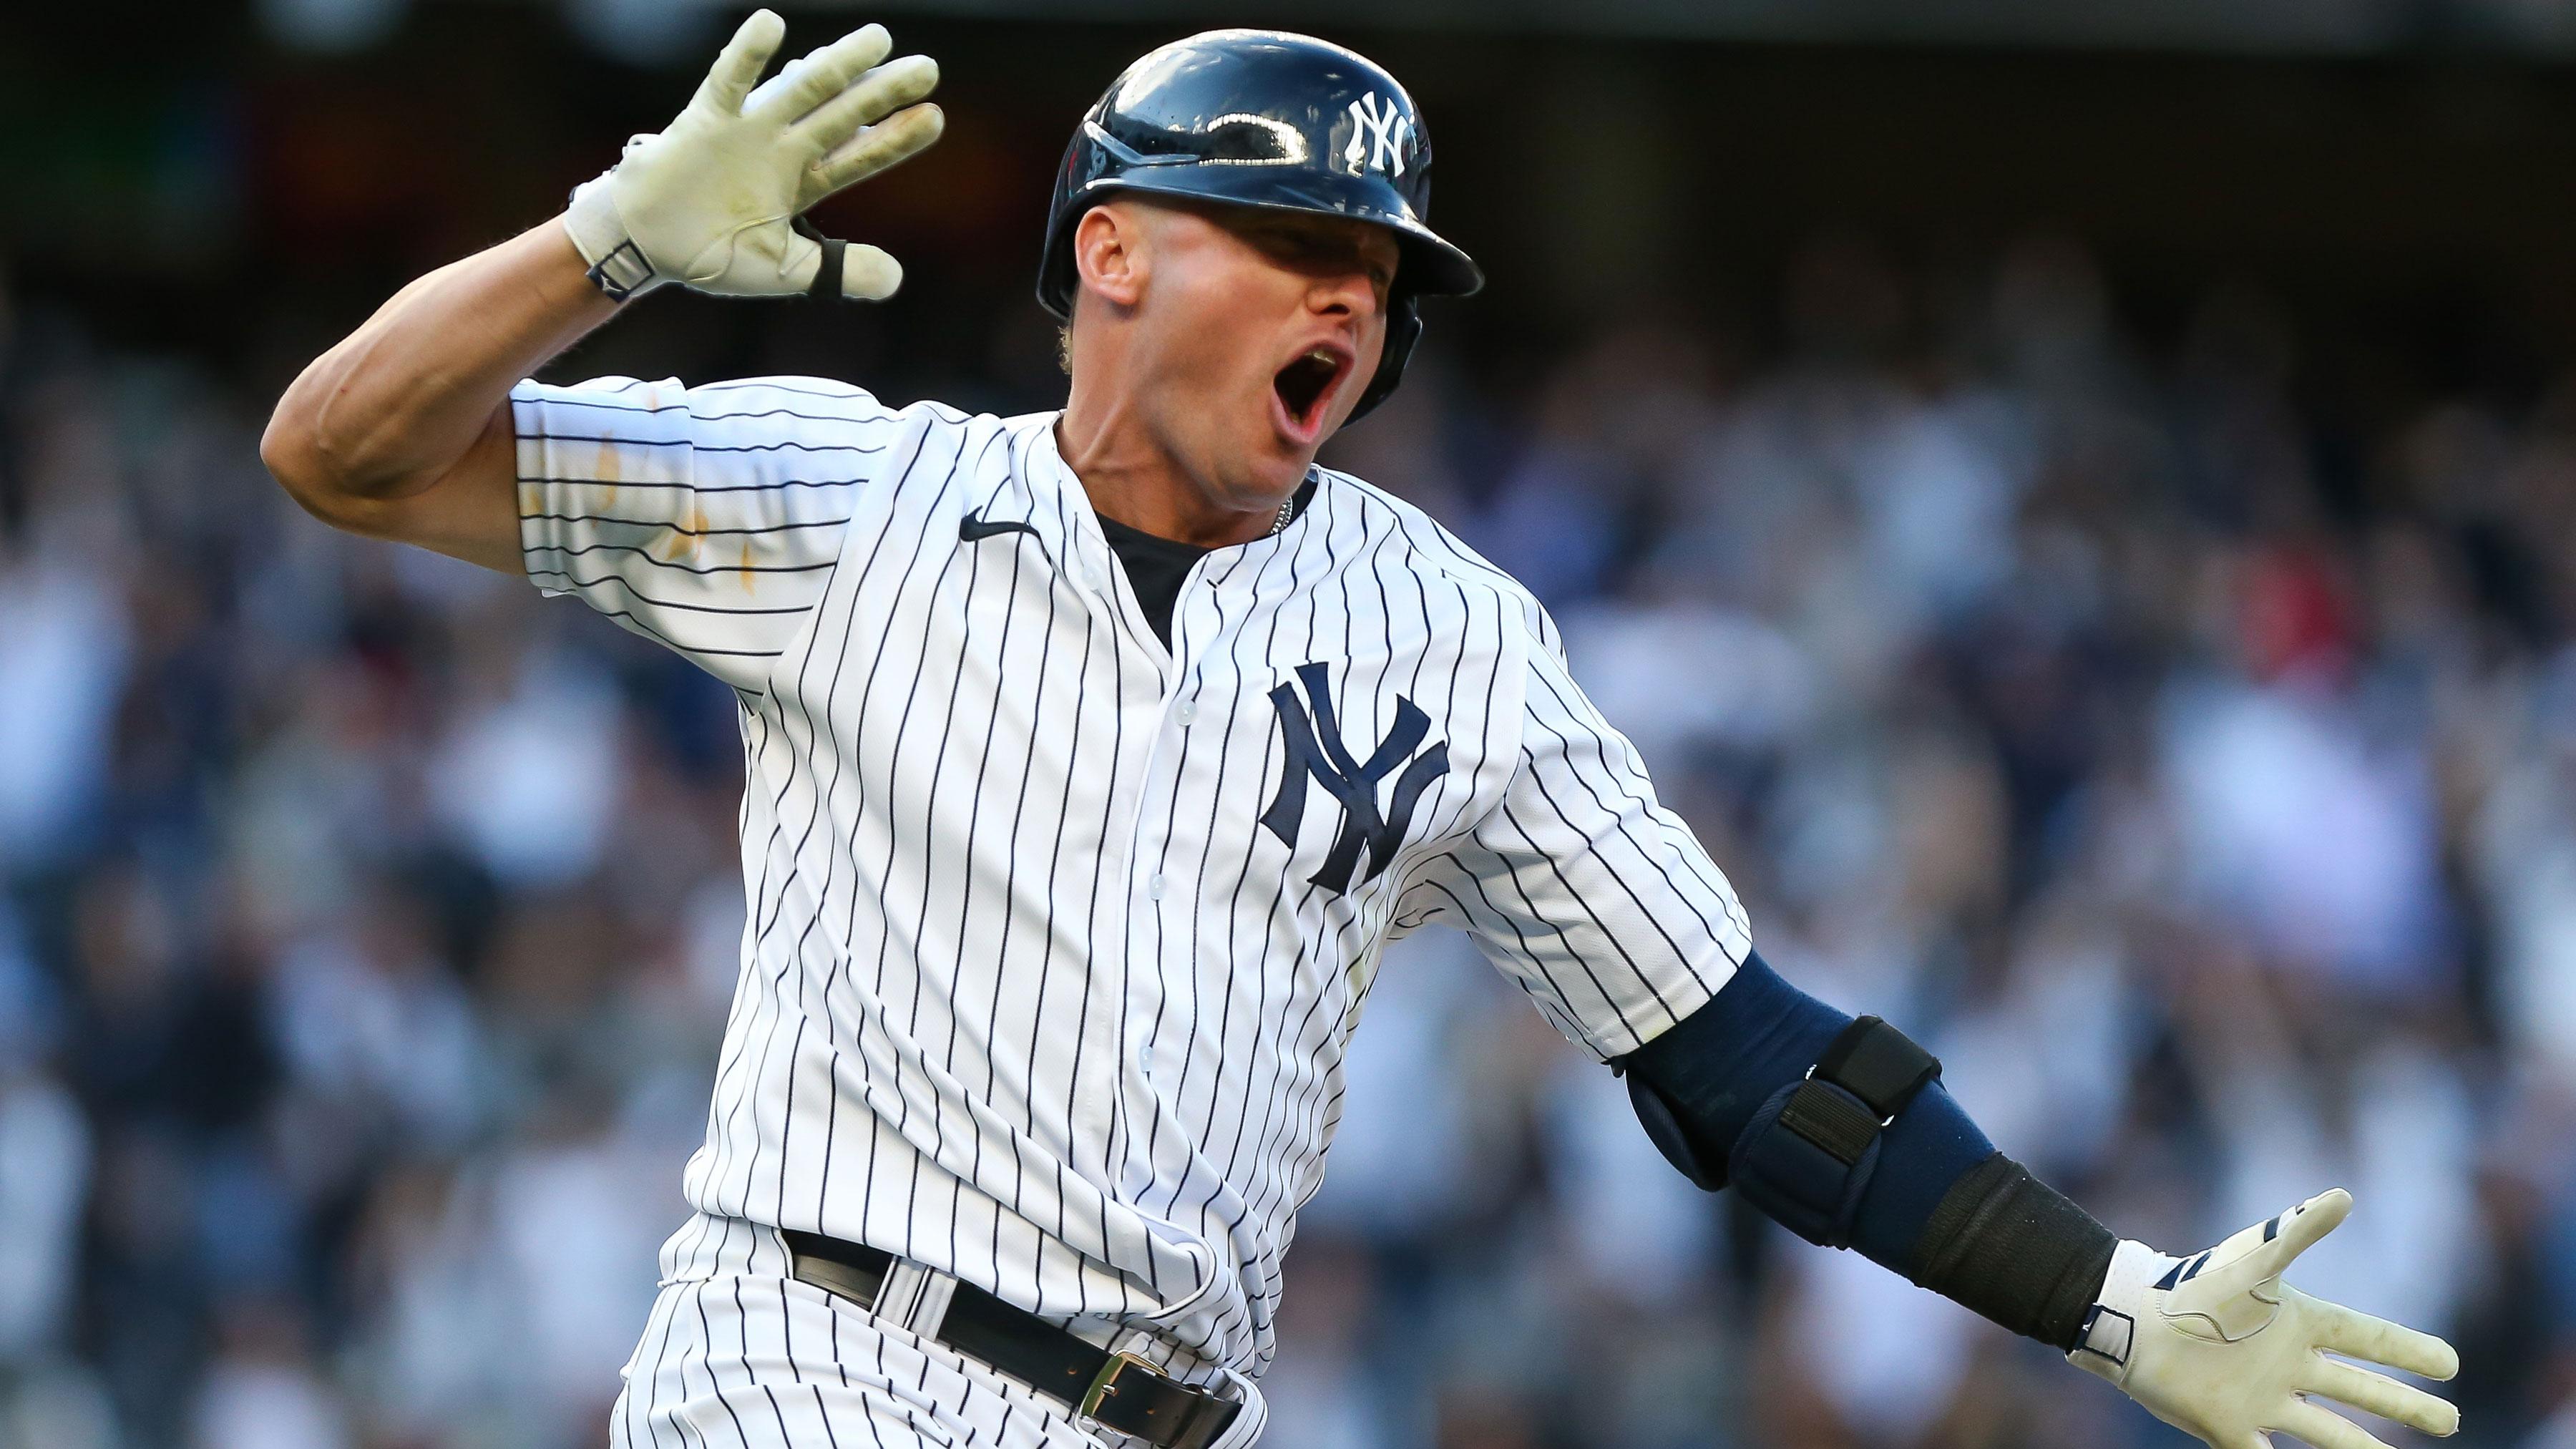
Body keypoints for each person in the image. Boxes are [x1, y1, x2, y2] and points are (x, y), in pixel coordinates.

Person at [258, 17, 2463, 1449]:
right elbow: (344, 453)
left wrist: (2102, 1295)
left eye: (1382, 272)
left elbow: (1752, 1066)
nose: (1354, 296)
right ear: (1110, 254)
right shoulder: (860, 501)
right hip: (806, 1354)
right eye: (1298, 236)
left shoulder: (1451, 632)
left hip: (1165, 1415)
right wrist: (602, 243)